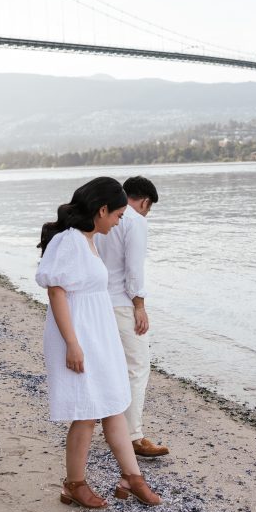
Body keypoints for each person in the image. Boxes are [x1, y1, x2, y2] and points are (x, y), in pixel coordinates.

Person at [36, 177, 162, 508]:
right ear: (102, 210)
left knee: (112, 404)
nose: (121, 221)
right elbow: (56, 292)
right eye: (118, 215)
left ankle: (132, 478)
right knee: (87, 413)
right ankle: (73, 485)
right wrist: (73, 344)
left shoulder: (89, 239)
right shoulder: (69, 241)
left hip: (98, 333)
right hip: (78, 334)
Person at [94, 176, 168, 458]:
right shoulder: (135, 221)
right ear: (145, 202)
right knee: (137, 367)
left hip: (99, 302)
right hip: (123, 305)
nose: (146, 212)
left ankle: (109, 425)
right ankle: (133, 436)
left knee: (109, 366)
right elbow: (134, 270)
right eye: (148, 208)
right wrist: (140, 306)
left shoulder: (102, 216)